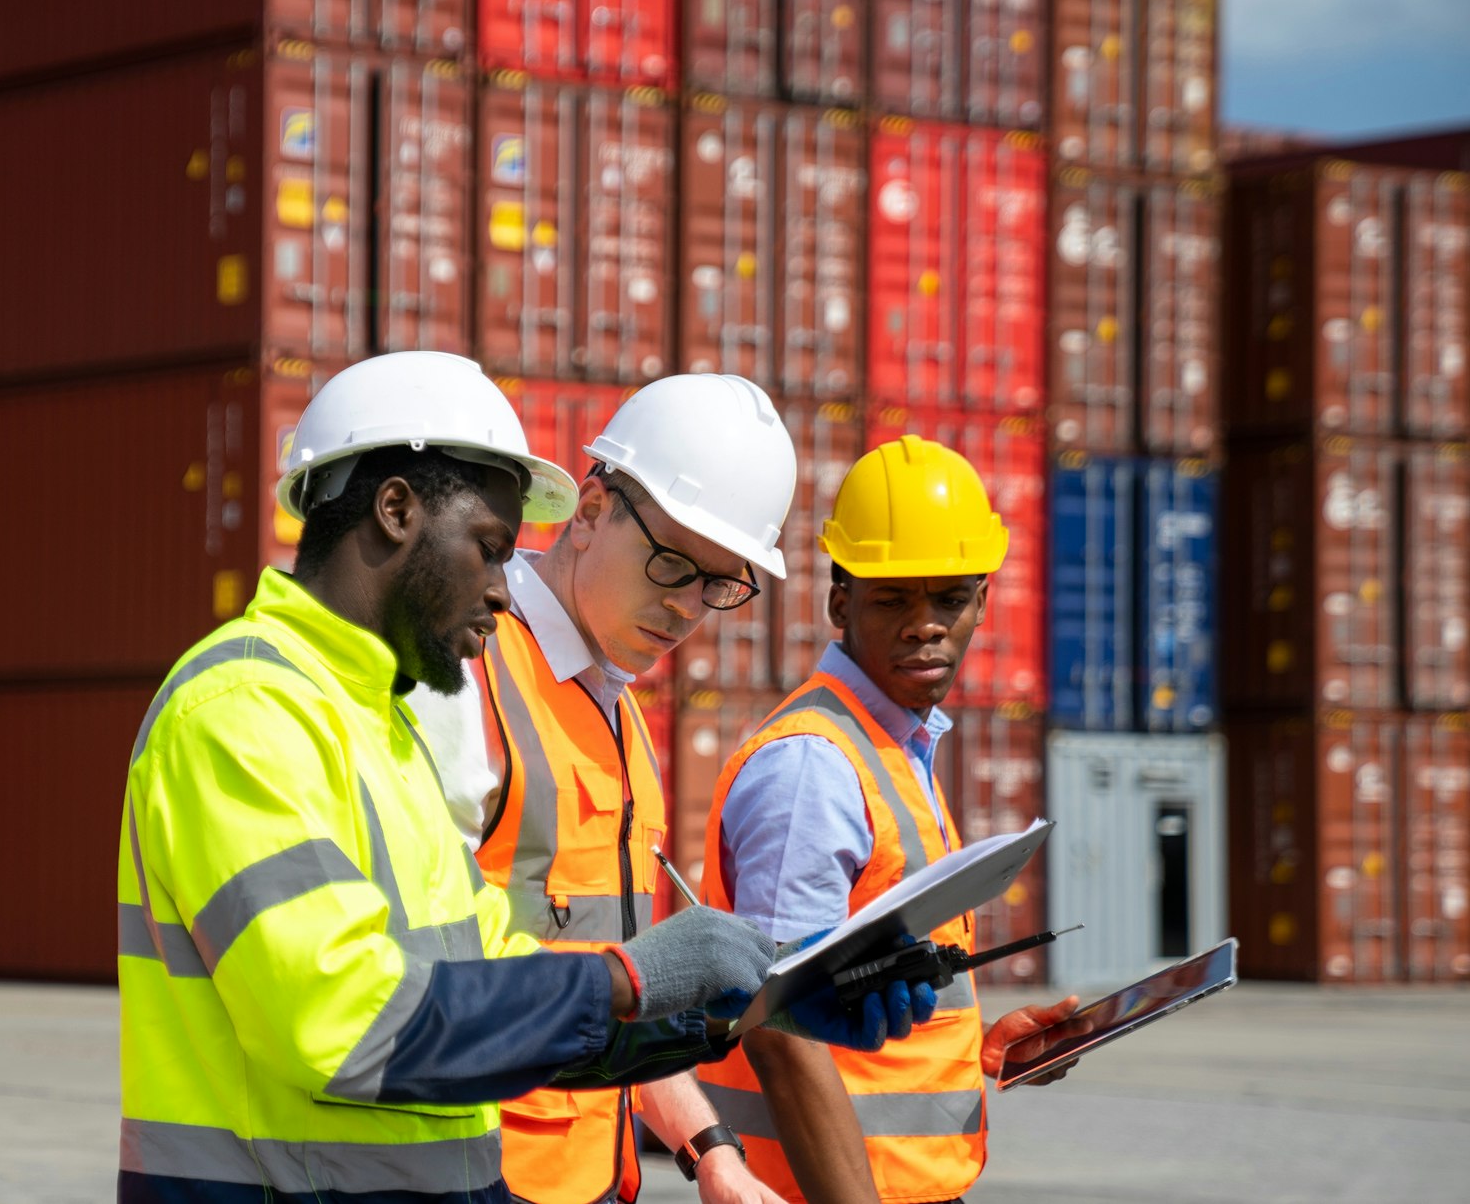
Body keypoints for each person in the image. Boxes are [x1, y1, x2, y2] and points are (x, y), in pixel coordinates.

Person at [116, 351, 927, 1204]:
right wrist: (630, 976)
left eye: (719, 585)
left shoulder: (379, 725)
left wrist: (747, 1008)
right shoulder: (245, 710)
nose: (507, 593)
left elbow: (490, 985)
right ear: (395, 510)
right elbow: (348, 1022)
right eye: (491, 549)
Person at [412, 374, 899, 1204]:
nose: (685, 608)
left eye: (718, 584)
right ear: (592, 507)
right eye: (671, 563)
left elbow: (627, 988)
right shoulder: (468, 677)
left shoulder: (621, 718)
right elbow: (425, 990)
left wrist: (710, 1148)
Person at [697, 436, 1082, 1204]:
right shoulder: (815, 765)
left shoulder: (893, 744)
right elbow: (780, 1031)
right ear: (840, 602)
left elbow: (858, 998)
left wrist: (975, 1049)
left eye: (949, 599)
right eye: (892, 597)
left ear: (982, 602)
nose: (925, 625)